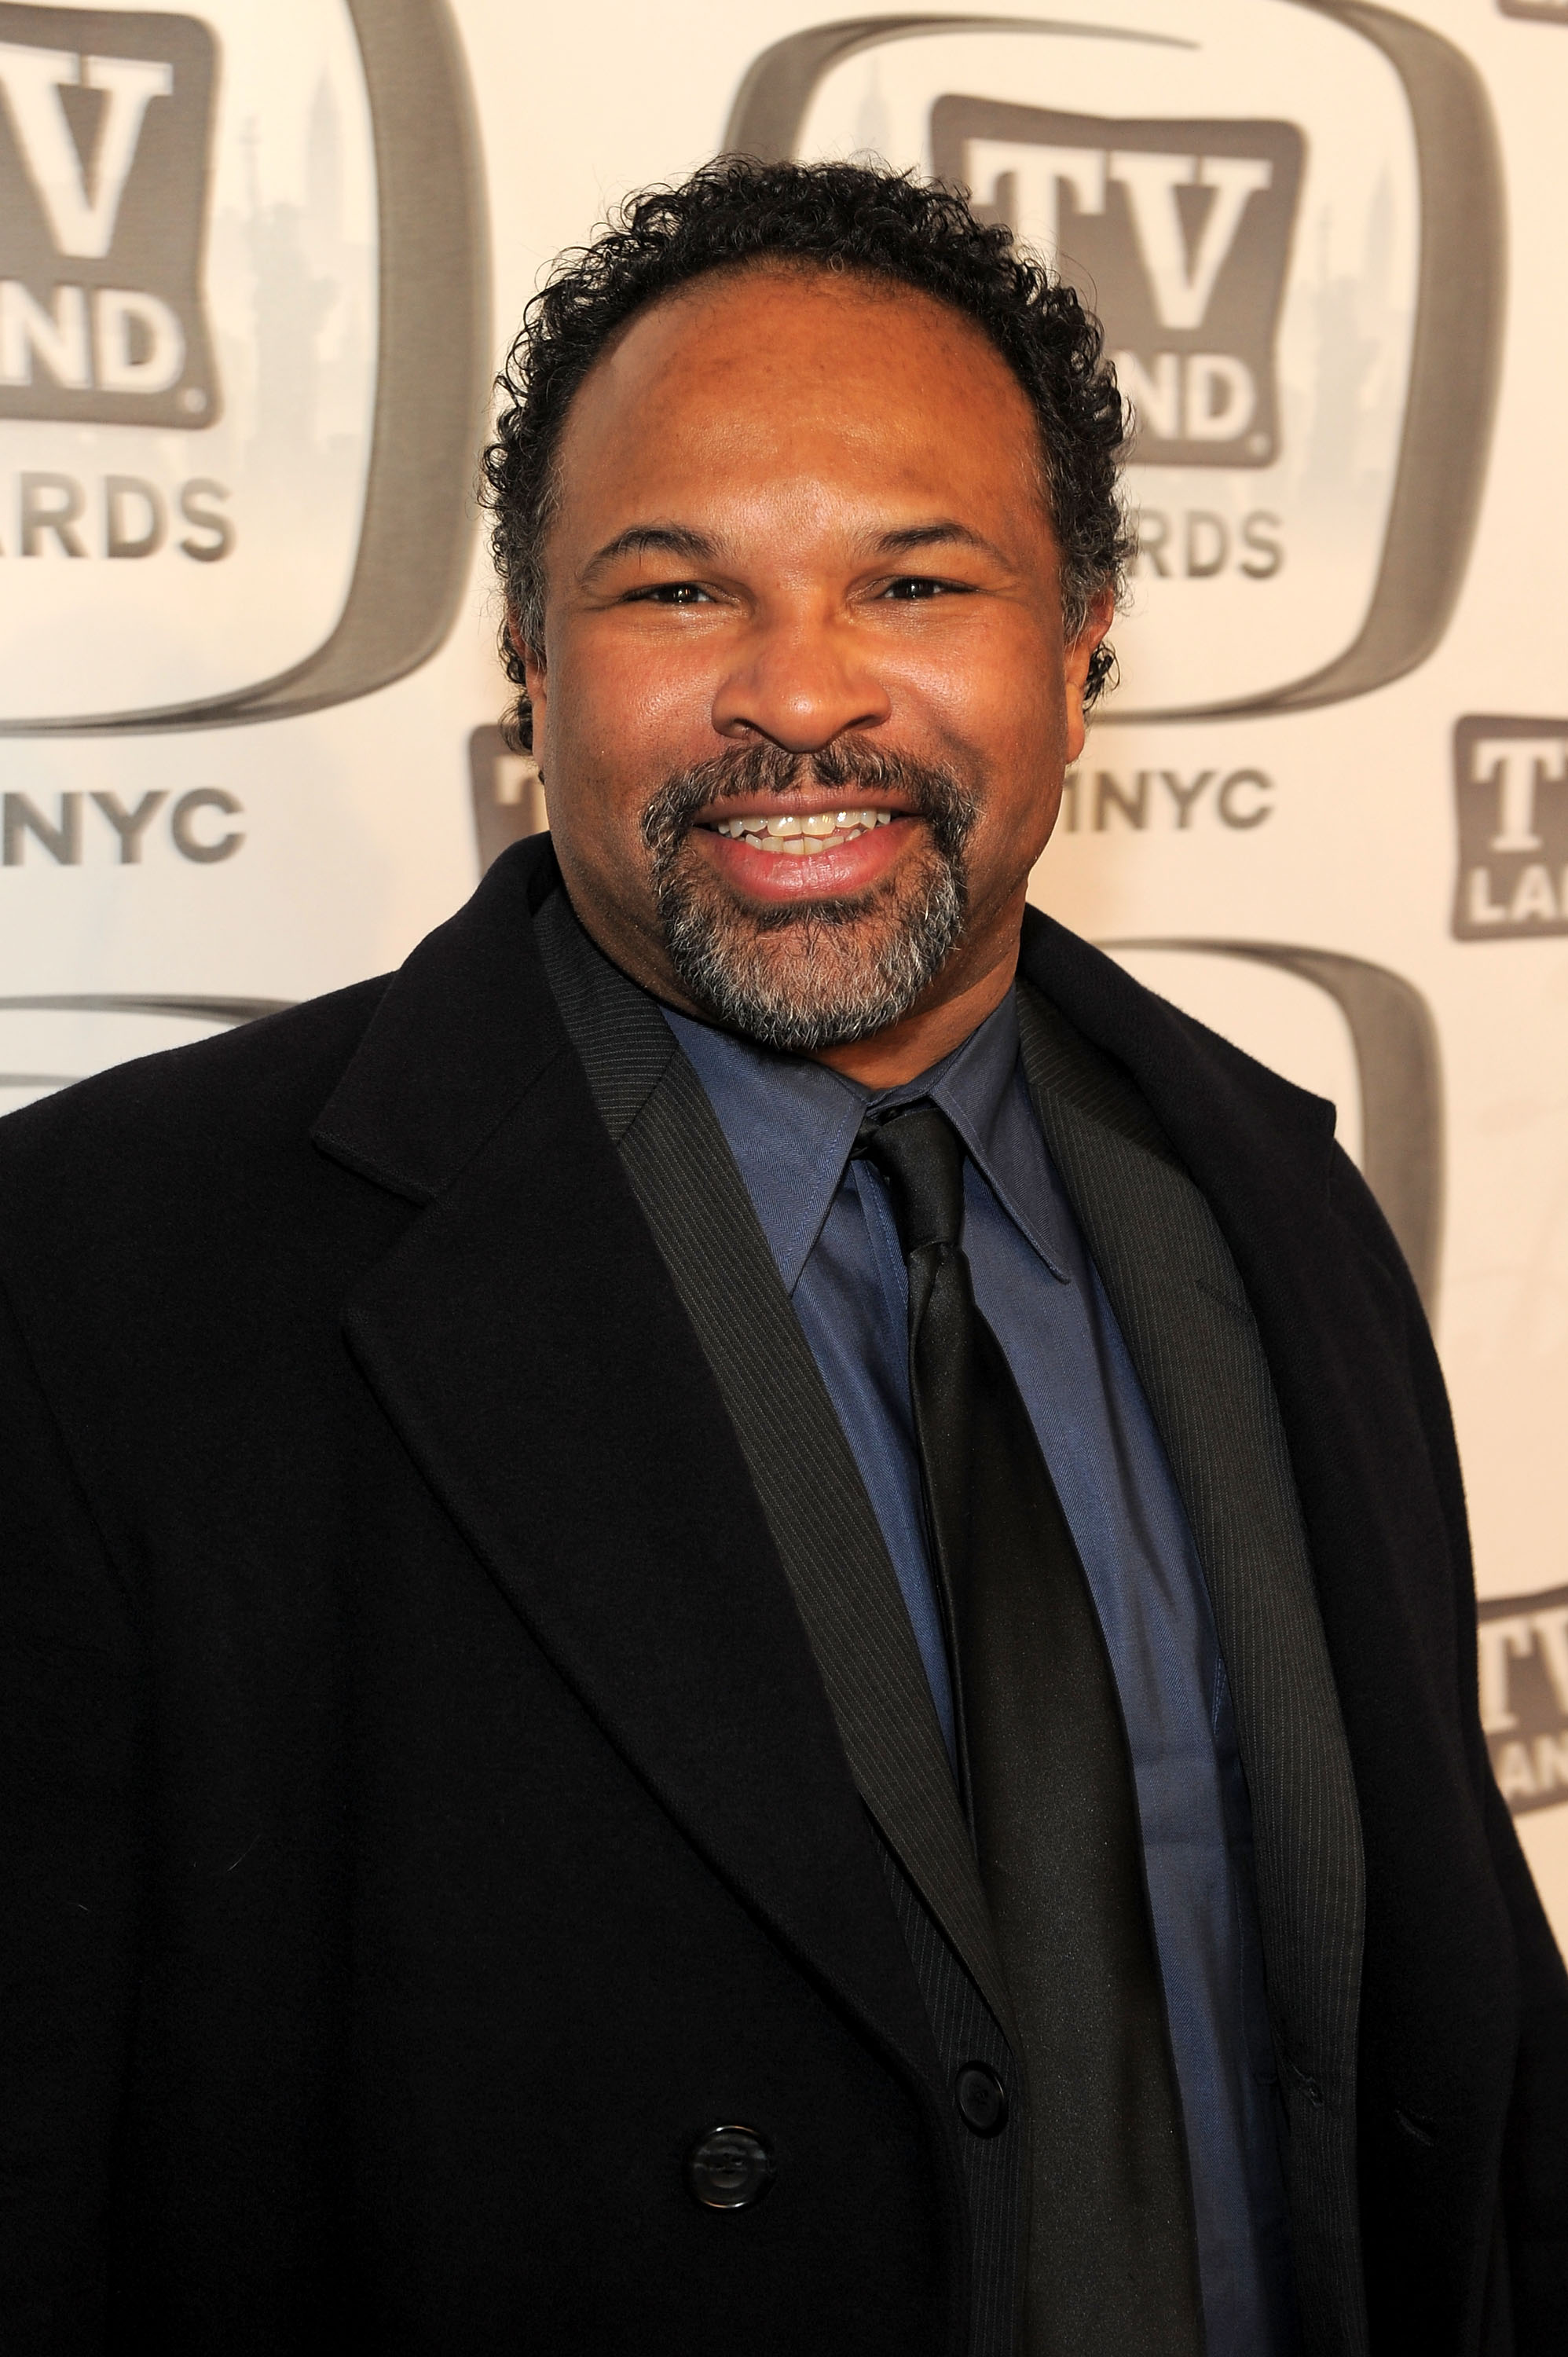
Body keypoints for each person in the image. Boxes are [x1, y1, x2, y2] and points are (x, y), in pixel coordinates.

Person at [0, 158, 1561, 2357]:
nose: (801, 697)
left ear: (1081, 647)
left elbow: (1452, 2067)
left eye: (913, 581)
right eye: (676, 591)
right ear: (530, 661)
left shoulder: (1275, 1209)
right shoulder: (109, 1282)